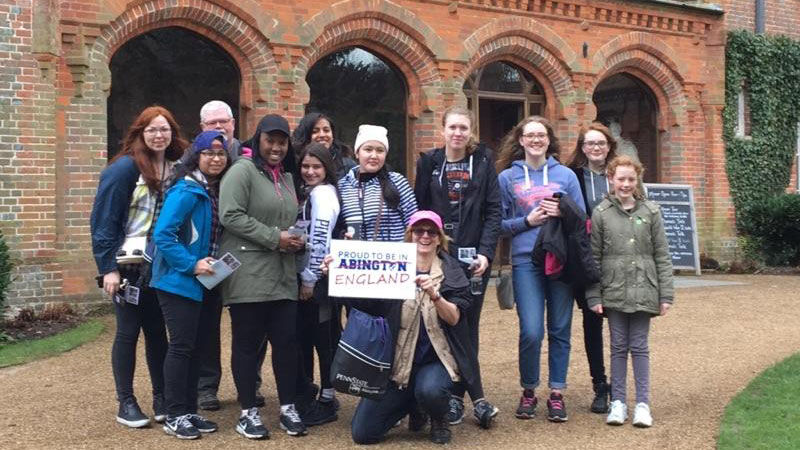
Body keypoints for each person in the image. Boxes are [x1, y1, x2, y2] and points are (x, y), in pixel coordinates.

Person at [321, 211, 482, 445]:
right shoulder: (392, 268)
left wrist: (435, 296)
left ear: (439, 238)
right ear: (410, 235)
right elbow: (365, 303)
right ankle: (411, 403)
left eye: (431, 231)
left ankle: (438, 417)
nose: (424, 236)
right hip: (398, 366)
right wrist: (335, 274)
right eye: (419, 231)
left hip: (436, 362)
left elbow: (454, 318)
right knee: (363, 433)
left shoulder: (452, 272)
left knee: (430, 390)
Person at [90, 105, 186, 428]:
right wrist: (108, 269)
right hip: (127, 265)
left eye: (164, 129)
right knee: (128, 332)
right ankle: (126, 402)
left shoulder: (177, 167)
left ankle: (161, 397)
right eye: (152, 130)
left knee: (158, 332)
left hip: (160, 265)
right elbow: (104, 221)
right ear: (140, 133)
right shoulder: (124, 170)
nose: (159, 135)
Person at [218, 114, 308, 439]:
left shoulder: (285, 177)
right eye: (270, 140)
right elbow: (230, 215)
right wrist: (275, 238)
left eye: (282, 142)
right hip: (248, 274)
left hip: (282, 276)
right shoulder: (242, 171)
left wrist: (297, 240)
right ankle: (248, 412)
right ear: (258, 140)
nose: (276, 147)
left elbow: (288, 222)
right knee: (247, 345)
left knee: (286, 343)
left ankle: (287, 407)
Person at [414, 106, 501, 427]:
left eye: (463, 128)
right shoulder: (429, 163)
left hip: (473, 259)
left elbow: (494, 212)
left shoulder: (483, 163)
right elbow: (420, 210)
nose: (458, 133)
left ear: (470, 131)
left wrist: (486, 253)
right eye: (452, 127)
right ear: (443, 129)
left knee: (466, 327)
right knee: (438, 322)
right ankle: (440, 389)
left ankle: (458, 397)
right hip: (440, 257)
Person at [496, 115, 585, 423]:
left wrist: (563, 211)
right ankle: (529, 389)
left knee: (559, 329)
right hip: (526, 262)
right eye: (530, 135)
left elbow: (582, 219)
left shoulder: (566, 175)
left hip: (560, 260)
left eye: (541, 135)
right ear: (520, 140)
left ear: (549, 140)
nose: (536, 140)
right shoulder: (507, 178)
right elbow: (496, 225)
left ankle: (557, 393)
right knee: (532, 330)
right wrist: (527, 221)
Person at [150, 130, 231, 439]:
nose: (215, 158)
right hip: (177, 282)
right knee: (181, 347)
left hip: (207, 283)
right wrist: (190, 264)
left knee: (197, 347)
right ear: (196, 156)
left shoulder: (213, 189)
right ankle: (174, 414)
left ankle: (188, 409)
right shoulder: (186, 191)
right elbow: (163, 235)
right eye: (209, 153)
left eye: (221, 153)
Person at [585, 155, 674, 428]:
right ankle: (618, 402)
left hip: (644, 288)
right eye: (620, 179)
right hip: (613, 289)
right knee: (618, 347)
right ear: (610, 179)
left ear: (638, 181)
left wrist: (666, 294)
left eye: (631, 179)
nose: (625, 184)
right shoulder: (601, 213)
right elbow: (594, 257)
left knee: (640, 347)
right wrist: (594, 295)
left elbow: (662, 254)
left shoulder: (651, 212)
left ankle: (643, 404)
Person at [193, 100, 244, 412]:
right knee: (206, 323)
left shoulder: (247, 158)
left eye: (224, 121)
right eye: (213, 123)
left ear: (233, 124)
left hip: (242, 254)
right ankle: (206, 386)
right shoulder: (198, 160)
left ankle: (248, 384)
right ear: (202, 128)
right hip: (211, 257)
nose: (220, 127)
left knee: (249, 324)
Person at [565, 122, 618, 414]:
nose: (595, 148)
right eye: (589, 143)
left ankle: (619, 386)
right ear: (582, 147)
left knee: (621, 323)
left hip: (618, 260)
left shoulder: (621, 174)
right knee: (592, 321)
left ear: (609, 145)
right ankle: (600, 384)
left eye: (600, 143)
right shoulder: (572, 176)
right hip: (584, 260)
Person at [293, 143, 342, 426]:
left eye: (317, 167)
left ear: (327, 169)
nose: (310, 172)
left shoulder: (323, 194)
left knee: (324, 341)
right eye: (306, 167)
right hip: (309, 278)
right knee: (308, 338)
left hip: (318, 282)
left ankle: (327, 397)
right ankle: (315, 391)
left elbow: (321, 237)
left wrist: (310, 279)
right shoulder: (309, 193)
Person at [338, 124, 418, 242]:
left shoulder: (398, 182)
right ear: (357, 153)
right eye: (368, 149)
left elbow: (414, 224)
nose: (374, 155)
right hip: (358, 258)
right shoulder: (343, 186)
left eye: (380, 150)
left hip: (395, 258)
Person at [291, 112, 356, 180]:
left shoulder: (347, 165)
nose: (322, 135)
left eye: (326, 130)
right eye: (315, 131)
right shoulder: (294, 165)